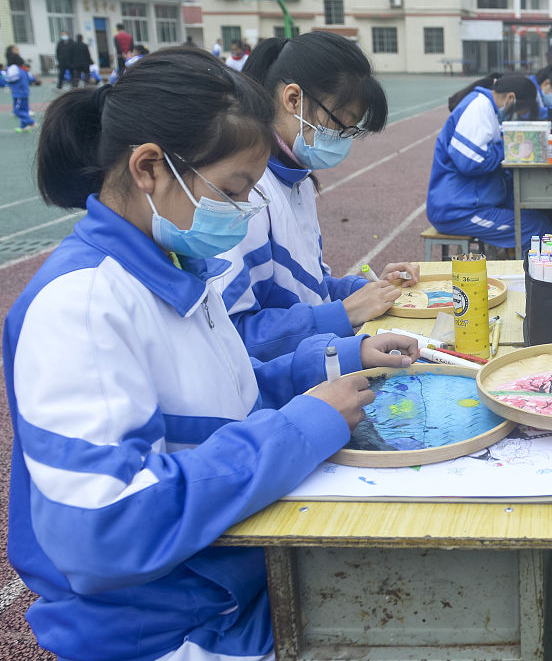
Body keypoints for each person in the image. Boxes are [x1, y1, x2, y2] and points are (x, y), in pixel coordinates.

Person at [4, 46, 419, 661]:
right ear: (149, 167)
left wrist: (337, 361)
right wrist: (301, 427)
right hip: (167, 625)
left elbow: (230, 386)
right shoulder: (84, 305)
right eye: (231, 190)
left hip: (224, 579)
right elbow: (104, 527)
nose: (244, 210)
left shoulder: (172, 266)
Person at [217, 32, 419, 361]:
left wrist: (367, 291)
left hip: (309, 363)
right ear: (293, 99)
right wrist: (343, 314)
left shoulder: (298, 180)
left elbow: (310, 286)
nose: (343, 141)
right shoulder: (245, 195)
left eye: (350, 132)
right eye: (339, 125)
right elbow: (233, 334)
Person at [426, 74, 552, 249]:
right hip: (459, 211)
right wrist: (509, 146)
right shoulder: (478, 108)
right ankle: (526, 274)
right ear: (510, 98)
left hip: (473, 201)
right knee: (534, 228)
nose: (514, 118)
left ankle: (510, 261)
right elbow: (471, 163)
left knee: (537, 214)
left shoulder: (487, 109)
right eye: (517, 112)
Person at [5, 45, 38, 133]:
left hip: (18, 93)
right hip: (24, 92)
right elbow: (30, 78)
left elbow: (10, 78)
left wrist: (5, 77)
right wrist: (35, 78)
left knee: (17, 110)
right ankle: (23, 127)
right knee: (24, 110)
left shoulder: (14, 68)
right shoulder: (23, 69)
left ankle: (31, 122)